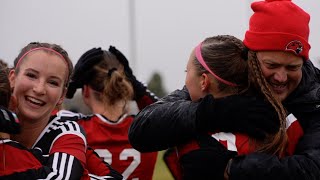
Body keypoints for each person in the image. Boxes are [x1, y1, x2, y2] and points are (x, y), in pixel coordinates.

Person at [129, 0, 320, 179]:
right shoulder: (228, 81)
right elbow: (142, 130)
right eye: (271, 65)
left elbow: (313, 169)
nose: (281, 77)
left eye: (293, 68)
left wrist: (230, 168)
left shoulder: (315, 98)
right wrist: (213, 112)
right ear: (252, 58)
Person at [0, 42, 121, 179]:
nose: (39, 89)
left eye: (53, 82)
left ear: (62, 95)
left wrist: (8, 151)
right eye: (31, 75)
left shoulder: (66, 132)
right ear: (12, 78)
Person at [57, 46, 158, 180]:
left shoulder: (73, 128)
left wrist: (69, 85)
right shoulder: (146, 129)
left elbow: (42, 119)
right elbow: (165, 114)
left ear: (86, 91)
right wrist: (138, 87)